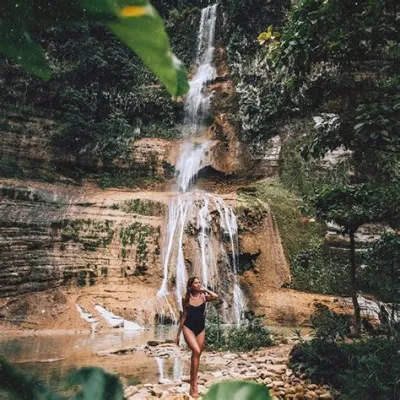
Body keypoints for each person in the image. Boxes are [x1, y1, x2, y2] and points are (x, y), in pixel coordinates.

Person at [175, 277, 218, 398]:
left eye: (199, 282)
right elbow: (184, 315)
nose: (198, 284)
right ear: (191, 285)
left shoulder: (204, 297)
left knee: (197, 355)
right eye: (196, 283)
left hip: (201, 328)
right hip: (188, 327)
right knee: (196, 351)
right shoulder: (186, 298)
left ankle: (193, 382)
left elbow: (216, 296)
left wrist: (205, 289)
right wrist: (178, 334)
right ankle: (193, 385)